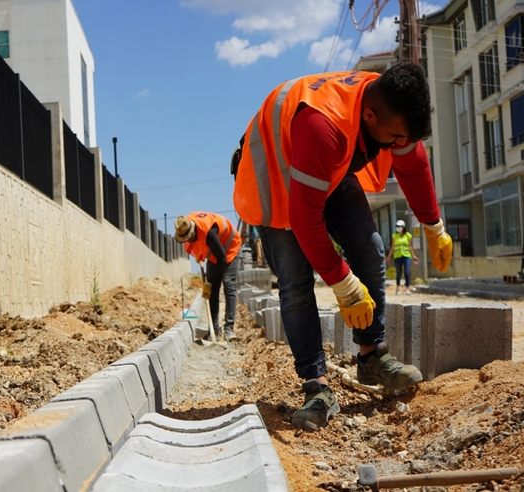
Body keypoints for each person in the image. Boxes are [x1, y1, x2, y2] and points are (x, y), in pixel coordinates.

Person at [232, 63, 453, 429]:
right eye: (396, 137)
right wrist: (343, 283)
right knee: (295, 280)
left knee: (370, 247)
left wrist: (433, 224)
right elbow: (305, 220)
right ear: (369, 116)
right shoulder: (325, 126)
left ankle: (372, 358)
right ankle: (316, 387)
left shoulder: (388, 105)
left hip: (321, 169)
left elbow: (412, 165)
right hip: (272, 176)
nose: (400, 144)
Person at [175, 212, 242, 341]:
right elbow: (200, 249)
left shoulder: (209, 233)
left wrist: (209, 281)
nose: (188, 240)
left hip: (230, 247)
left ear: (193, 232)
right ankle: (214, 329)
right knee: (212, 290)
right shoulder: (185, 226)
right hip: (215, 252)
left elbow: (222, 259)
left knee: (228, 284)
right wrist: (210, 284)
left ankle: (229, 329)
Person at [387, 219, 419, 295]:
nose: (398, 227)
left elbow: (410, 246)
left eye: (400, 226)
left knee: (407, 272)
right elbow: (393, 246)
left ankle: (407, 288)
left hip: (406, 256)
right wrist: (389, 256)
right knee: (399, 273)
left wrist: (413, 256)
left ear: (403, 227)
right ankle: (397, 289)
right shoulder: (394, 236)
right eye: (397, 226)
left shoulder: (408, 235)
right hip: (397, 256)